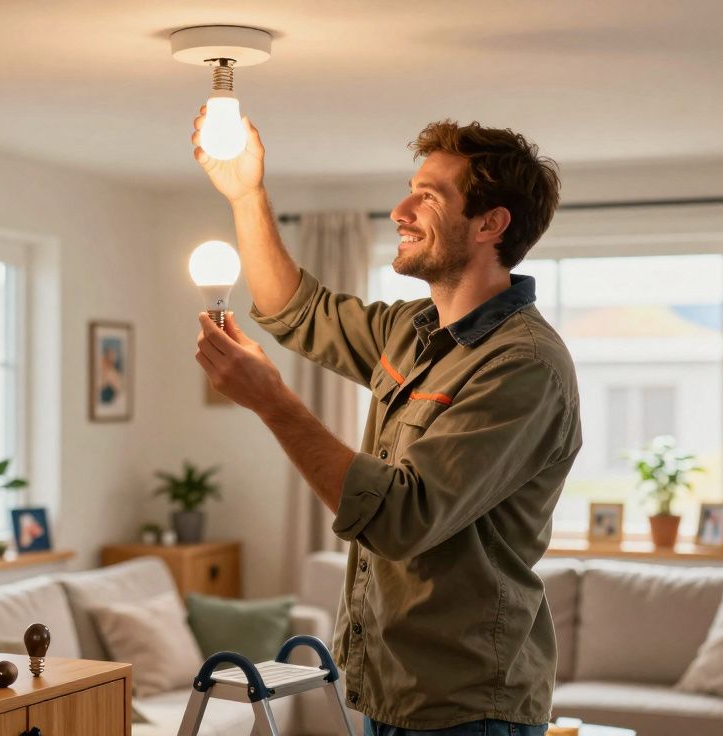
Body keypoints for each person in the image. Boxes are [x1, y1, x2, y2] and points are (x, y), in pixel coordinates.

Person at [189, 111, 582, 736]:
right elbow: (296, 309)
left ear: (491, 223)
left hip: (468, 710)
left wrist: (275, 404)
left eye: (428, 196)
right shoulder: (411, 330)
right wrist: (246, 193)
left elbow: (402, 518)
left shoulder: (523, 366)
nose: (400, 210)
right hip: (386, 691)